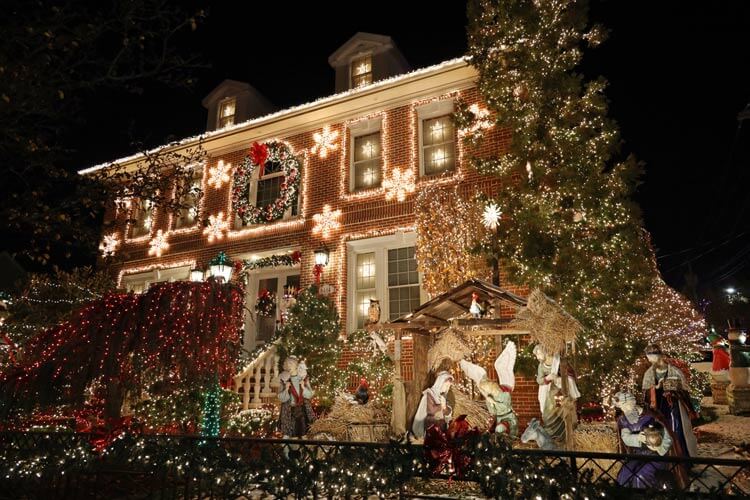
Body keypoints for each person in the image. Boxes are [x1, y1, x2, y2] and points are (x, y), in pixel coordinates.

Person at [613, 391, 684, 489]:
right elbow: (625, 438)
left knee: (640, 476)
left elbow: (668, 434)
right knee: (625, 474)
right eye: (621, 408)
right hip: (637, 456)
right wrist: (637, 438)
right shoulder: (624, 420)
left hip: (655, 456)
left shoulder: (652, 415)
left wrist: (658, 447)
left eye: (625, 406)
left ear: (632, 403)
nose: (624, 410)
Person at [641, 344, 698, 457]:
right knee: (660, 429)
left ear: (659, 356)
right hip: (658, 407)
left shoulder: (674, 371)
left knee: (676, 430)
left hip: (673, 407)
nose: (651, 361)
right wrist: (656, 387)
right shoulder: (649, 373)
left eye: (652, 358)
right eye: (649, 359)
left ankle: (680, 456)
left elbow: (684, 390)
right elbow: (646, 392)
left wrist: (672, 388)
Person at [278, 356, 315, 438]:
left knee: (304, 434)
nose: (289, 366)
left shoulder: (303, 378)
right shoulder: (283, 379)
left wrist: (303, 387)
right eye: (287, 364)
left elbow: (309, 395)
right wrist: (286, 389)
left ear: (296, 365)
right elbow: (281, 398)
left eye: (291, 363)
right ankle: (288, 450)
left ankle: (303, 450)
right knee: (288, 435)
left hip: (303, 410)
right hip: (289, 411)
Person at [412, 371, 453, 439]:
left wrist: (445, 408)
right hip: (430, 431)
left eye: (448, 386)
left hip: (441, 431)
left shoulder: (442, 397)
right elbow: (426, 413)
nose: (447, 388)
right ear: (440, 383)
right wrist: (442, 406)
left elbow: (447, 414)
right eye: (446, 385)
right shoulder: (429, 395)